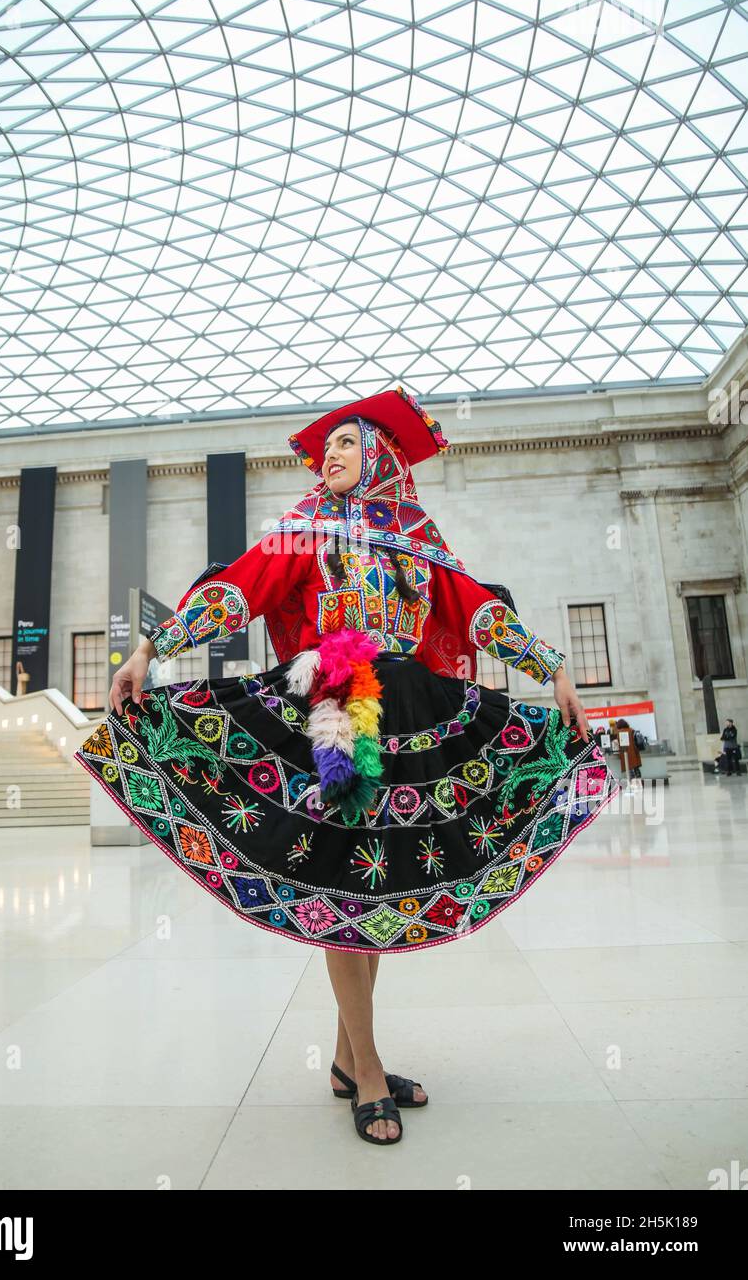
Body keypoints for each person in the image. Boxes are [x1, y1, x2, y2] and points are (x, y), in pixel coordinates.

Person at [74, 385, 620, 1146]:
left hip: (409, 715)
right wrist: (148, 648)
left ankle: (342, 1057)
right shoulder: (305, 531)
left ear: (383, 459)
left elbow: (476, 612)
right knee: (340, 882)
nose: (329, 456)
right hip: (329, 711)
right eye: (326, 446)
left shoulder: (419, 538)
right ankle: (367, 1072)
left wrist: (553, 666)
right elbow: (234, 592)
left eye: (346, 444)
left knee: (374, 877)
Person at [614, 717, 642, 783]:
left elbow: (617, 743)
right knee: (636, 768)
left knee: (629, 768)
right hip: (634, 752)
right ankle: (639, 782)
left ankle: (632, 783)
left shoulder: (618, 732)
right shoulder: (631, 730)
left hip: (625, 752)